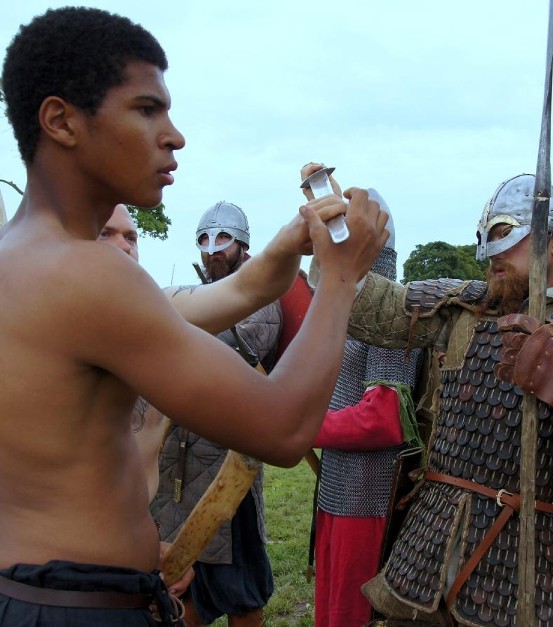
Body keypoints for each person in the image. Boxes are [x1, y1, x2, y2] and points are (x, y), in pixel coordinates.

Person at [0, 7, 387, 625]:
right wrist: (339, 279)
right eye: (147, 109)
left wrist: (288, 244)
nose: (174, 135)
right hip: (77, 607)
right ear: (61, 121)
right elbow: (283, 429)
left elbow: (227, 296)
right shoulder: (89, 275)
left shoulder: (24, 260)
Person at [332, 172, 553, 626]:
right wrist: (337, 245)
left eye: (501, 235)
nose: (486, 253)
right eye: (483, 236)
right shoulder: (465, 308)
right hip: (426, 550)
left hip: (533, 561)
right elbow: (373, 307)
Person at [300, 175, 425, 627]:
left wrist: (304, 427)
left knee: (350, 618)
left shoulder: (394, 315)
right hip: (336, 491)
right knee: (328, 614)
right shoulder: (341, 309)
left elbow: (384, 418)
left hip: (368, 500)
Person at [153, 202, 280, 627]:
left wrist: (172, 332)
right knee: (184, 582)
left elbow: (234, 355)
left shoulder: (261, 300)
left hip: (228, 465)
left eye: (222, 239)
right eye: (205, 240)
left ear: (243, 246)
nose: (213, 249)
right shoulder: (193, 298)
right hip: (180, 463)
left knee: (240, 593)